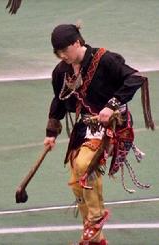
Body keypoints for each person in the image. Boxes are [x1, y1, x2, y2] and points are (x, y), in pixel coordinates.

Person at [44, 23, 154, 245]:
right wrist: (51, 133)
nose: (62, 56)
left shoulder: (104, 59)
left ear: (77, 43)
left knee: (85, 166)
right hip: (85, 127)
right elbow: (59, 100)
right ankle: (96, 240)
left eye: (65, 50)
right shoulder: (61, 72)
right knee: (76, 182)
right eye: (58, 53)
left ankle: (95, 220)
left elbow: (134, 78)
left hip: (112, 124)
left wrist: (112, 105)